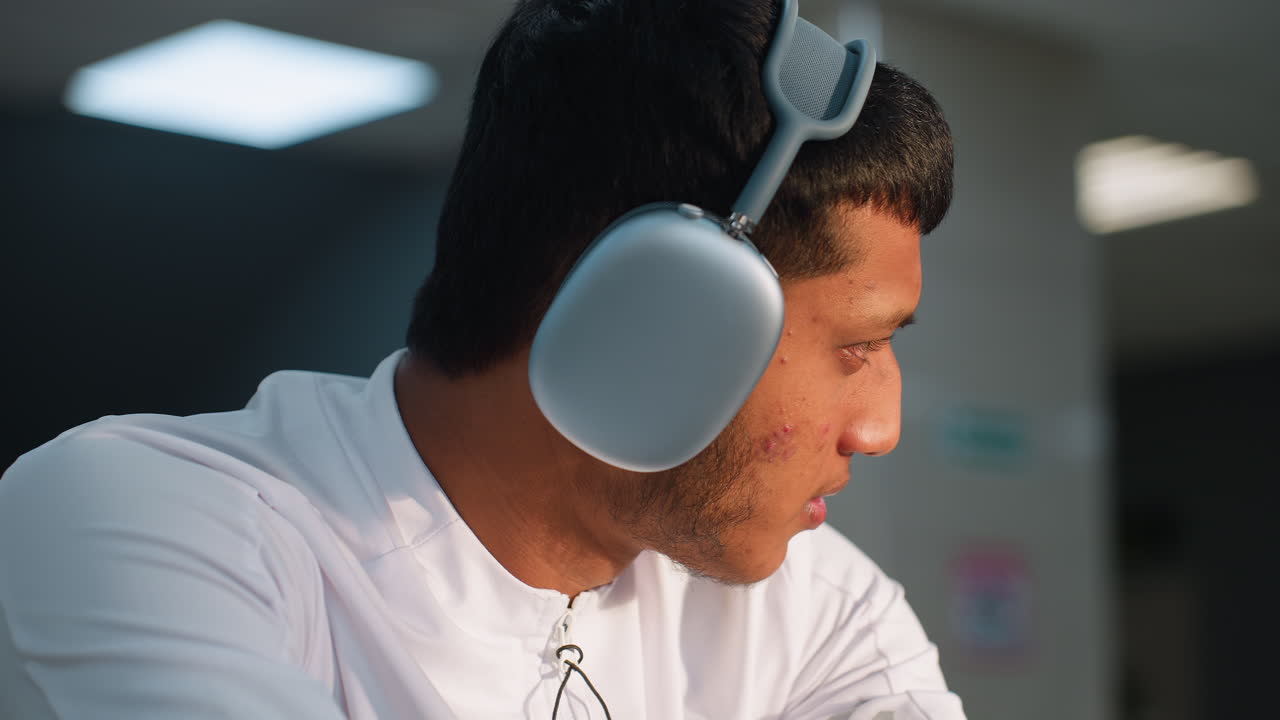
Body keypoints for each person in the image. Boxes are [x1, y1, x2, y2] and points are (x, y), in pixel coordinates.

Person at [0, 0, 963, 718]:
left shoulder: (824, 609)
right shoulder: (141, 518)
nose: (880, 428)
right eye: (860, 346)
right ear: (656, 305)